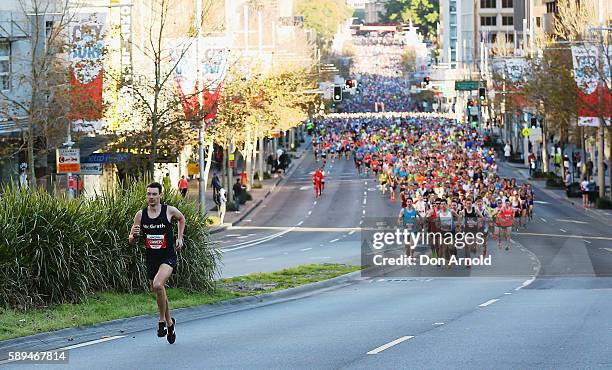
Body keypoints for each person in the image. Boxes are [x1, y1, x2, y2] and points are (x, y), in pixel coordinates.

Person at [128, 182, 185, 344]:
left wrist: (180, 238)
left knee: (158, 285)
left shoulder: (169, 210)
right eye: (149, 194)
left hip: (167, 256)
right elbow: (131, 239)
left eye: (154, 194)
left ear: (160, 195)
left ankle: (161, 322)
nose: (151, 197)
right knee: (158, 291)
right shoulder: (141, 215)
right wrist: (134, 236)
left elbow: (181, 219)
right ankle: (170, 323)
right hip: (151, 258)